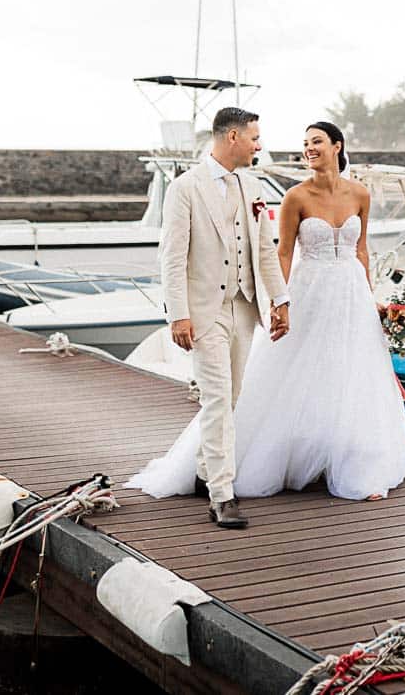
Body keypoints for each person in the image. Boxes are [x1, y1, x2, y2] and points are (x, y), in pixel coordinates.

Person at [128, 120, 405, 513]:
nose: (308, 148)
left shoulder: (359, 194)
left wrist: (371, 297)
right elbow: (278, 252)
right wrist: (279, 301)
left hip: (351, 295)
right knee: (271, 380)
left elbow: (361, 250)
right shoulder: (295, 196)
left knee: (352, 374)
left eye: (316, 142)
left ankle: (349, 462)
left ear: (337, 146)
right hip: (305, 290)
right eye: (305, 143)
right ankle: (220, 479)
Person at [127, 108, 290, 529]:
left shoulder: (252, 186)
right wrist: (178, 315)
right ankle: (222, 493)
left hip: (244, 307)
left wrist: (280, 300)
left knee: (231, 398)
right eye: (255, 137)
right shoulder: (185, 188)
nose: (259, 145)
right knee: (218, 399)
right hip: (203, 312)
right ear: (232, 136)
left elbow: (266, 251)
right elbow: (172, 257)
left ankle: (204, 470)